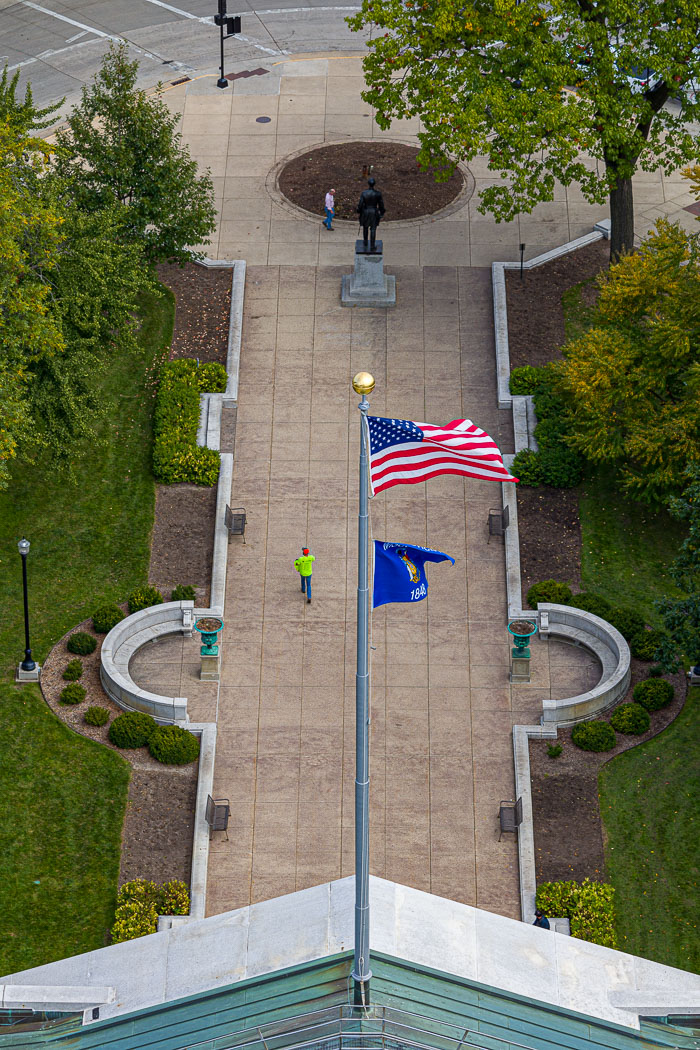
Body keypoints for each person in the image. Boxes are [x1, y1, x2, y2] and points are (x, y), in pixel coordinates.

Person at [356, 176, 385, 251]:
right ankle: (372, 246)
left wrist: (359, 211)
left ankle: (365, 242)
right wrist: (382, 212)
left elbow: (360, 204)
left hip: (366, 212)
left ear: (368, 184)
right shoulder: (378, 194)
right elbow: (381, 204)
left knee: (365, 227)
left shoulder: (364, 193)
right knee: (373, 229)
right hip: (374, 212)